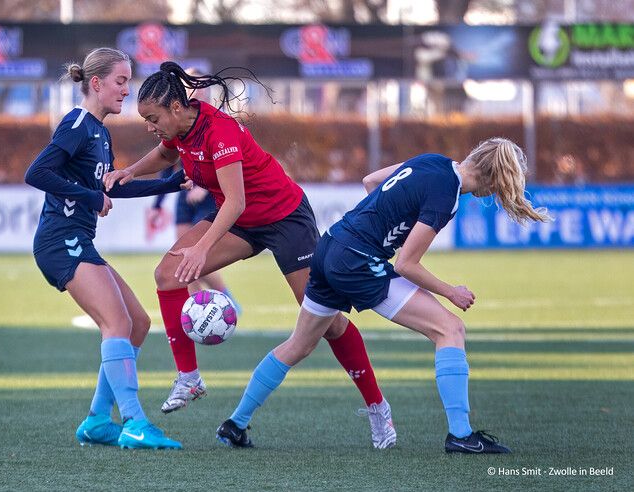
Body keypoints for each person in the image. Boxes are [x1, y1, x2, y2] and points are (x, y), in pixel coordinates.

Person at [103, 61, 396, 449]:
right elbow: (165, 153)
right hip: (240, 221)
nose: (149, 125)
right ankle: (189, 378)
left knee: (327, 321)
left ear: (177, 108)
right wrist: (128, 173)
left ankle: (378, 408)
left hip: (285, 219)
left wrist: (202, 247)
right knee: (168, 275)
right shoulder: (180, 128)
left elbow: (236, 201)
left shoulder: (219, 131)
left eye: (153, 118)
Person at [217, 138, 551, 453]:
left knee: (299, 345)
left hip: (330, 244)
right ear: (495, 179)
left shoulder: (433, 161)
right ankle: (461, 435)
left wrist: (385, 225)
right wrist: (452, 292)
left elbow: (370, 181)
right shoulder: (447, 195)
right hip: (356, 262)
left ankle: (235, 423)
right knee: (449, 329)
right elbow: (407, 264)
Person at [24, 48, 186, 450]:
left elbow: (110, 187)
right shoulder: (78, 122)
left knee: (137, 322)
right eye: (120, 81)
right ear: (95, 83)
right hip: (60, 241)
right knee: (116, 324)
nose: (126, 90)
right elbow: (37, 173)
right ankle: (134, 421)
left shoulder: (100, 132)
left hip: (78, 240)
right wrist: (89, 197)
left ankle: (98, 420)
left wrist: (171, 182)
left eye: (128, 81)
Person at [149, 165, 242, 311]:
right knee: (181, 258)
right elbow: (167, 166)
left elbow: (221, 163)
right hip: (185, 193)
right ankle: (197, 308)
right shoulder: (173, 142)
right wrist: (157, 205)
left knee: (197, 257)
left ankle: (228, 301)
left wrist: (204, 187)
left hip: (210, 195)